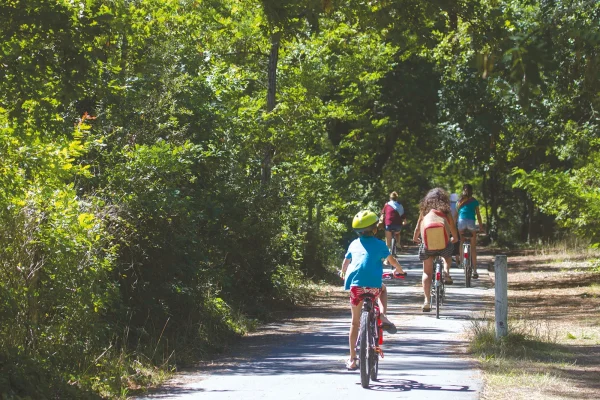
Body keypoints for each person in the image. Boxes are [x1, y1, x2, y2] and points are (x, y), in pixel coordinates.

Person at [340, 210, 406, 370]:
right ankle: (382, 316)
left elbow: (345, 262)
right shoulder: (380, 245)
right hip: (373, 286)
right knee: (383, 289)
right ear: (375, 229)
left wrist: (343, 273)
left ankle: (352, 359)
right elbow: (392, 261)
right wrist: (399, 270)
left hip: (356, 287)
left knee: (355, 323)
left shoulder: (354, 244)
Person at [412, 188, 458, 312]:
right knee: (448, 254)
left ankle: (426, 301)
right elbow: (453, 228)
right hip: (443, 246)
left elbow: (417, 228)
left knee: (427, 273)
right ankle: (446, 273)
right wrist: (454, 238)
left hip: (427, 246)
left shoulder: (424, 211)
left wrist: (416, 238)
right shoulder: (446, 211)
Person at [456, 184, 484, 279]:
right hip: (471, 223)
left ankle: (461, 262)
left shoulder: (459, 201)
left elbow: (456, 215)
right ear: (472, 191)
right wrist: (481, 227)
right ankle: (475, 270)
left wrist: (455, 227)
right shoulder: (474, 201)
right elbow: (478, 216)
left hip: (461, 223)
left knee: (461, 241)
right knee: (473, 247)